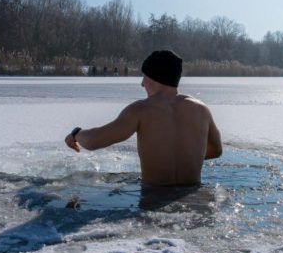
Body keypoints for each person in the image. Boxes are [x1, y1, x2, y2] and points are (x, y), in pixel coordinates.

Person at [64, 50, 222, 186]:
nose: (142, 84)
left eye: (144, 77)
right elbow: (216, 151)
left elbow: (94, 141)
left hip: (153, 196)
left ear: (155, 78)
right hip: (193, 196)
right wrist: (186, 157)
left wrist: (76, 133)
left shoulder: (141, 110)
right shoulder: (202, 110)